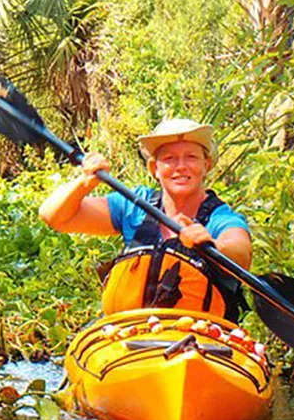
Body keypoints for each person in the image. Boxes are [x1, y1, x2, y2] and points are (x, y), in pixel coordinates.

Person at [38, 119, 252, 321]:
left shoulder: (220, 217)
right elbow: (53, 216)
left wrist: (213, 245)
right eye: (169, 159)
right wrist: (84, 182)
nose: (181, 166)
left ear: (206, 165)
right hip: (130, 337)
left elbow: (241, 253)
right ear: (154, 169)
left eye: (191, 157)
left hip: (199, 341)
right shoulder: (135, 205)